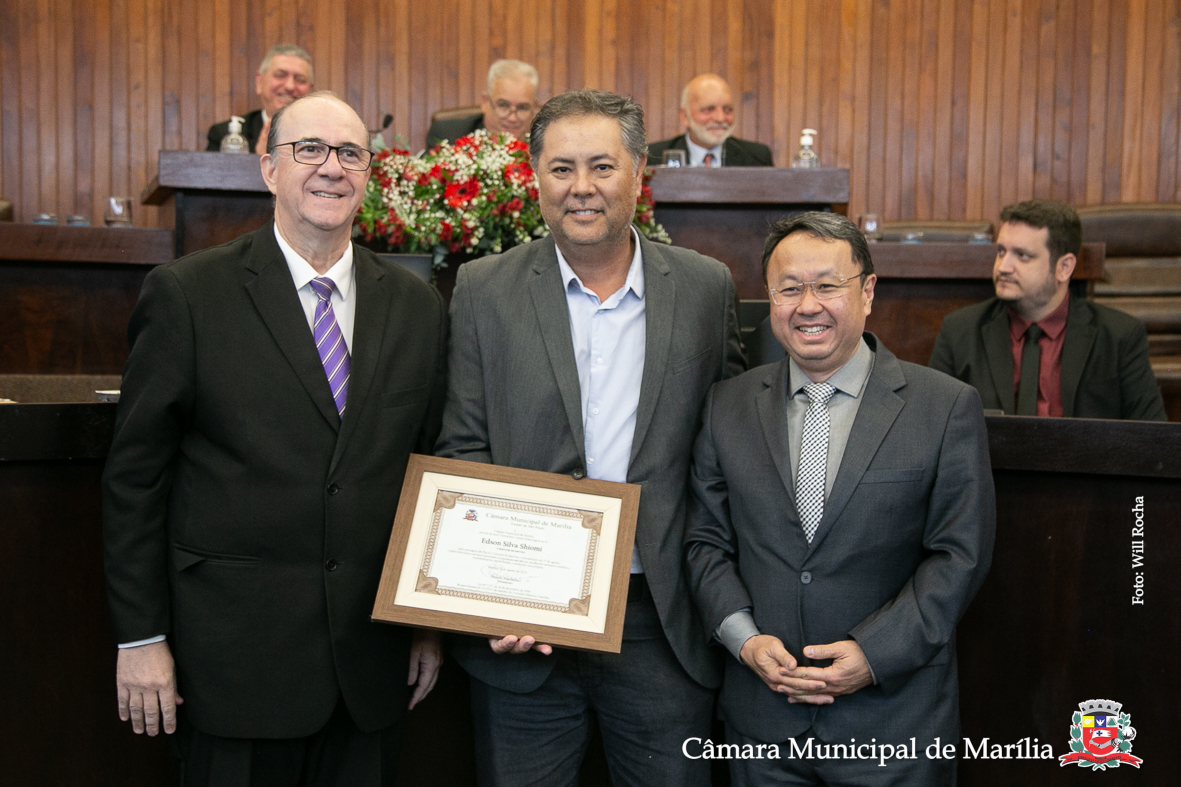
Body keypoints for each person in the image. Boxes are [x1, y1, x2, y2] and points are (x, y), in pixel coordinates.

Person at [104, 91, 447, 785]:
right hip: (234, 666)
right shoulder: (189, 294)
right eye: (309, 149)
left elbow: (428, 468)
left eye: (350, 153)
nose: (332, 168)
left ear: (368, 172)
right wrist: (141, 636)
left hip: (369, 668)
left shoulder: (416, 305)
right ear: (268, 169)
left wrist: (426, 619)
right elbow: (135, 480)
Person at [435, 89, 744, 786]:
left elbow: (726, 452)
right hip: (522, 628)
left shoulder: (705, 289)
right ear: (535, 176)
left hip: (658, 619)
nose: (581, 187)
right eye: (561, 168)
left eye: (602, 166)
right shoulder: (483, 290)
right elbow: (462, 446)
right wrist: (492, 595)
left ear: (638, 169)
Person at [684, 212, 995, 785]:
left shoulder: (944, 407)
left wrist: (875, 654)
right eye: (789, 289)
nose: (808, 306)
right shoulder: (726, 406)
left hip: (893, 726)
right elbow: (705, 541)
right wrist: (744, 640)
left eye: (827, 286)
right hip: (763, 728)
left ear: (868, 291)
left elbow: (959, 556)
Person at [929, 199, 1166, 420]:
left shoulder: (1119, 336)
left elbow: (1152, 435)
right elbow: (932, 424)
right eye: (1001, 251)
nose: (1003, 267)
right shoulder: (960, 331)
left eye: (1022, 255)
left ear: (1064, 267)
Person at [647, 73, 773, 167]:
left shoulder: (757, 157)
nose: (720, 118)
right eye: (708, 109)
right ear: (684, 117)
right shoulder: (653, 157)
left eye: (727, 110)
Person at [206, 44, 314, 154]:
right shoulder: (223, 135)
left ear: (310, 90)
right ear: (259, 82)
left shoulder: (321, 132)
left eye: (300, 80)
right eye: (280, 75)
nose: (290, 86)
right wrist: (257, 159)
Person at [424, 59, 539, 148]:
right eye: (503, 105)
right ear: (485, 102)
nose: (512, 118)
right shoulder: (448, 135)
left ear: (534, 108)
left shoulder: (544, 142)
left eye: (523, 108)